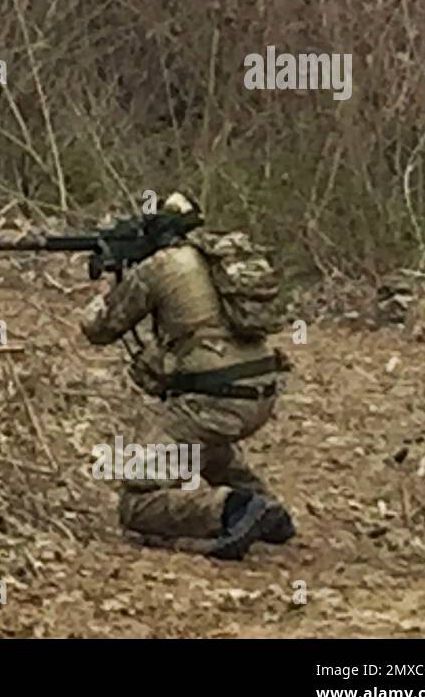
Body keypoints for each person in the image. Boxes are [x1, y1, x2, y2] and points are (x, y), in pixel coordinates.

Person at [80, 192, 295, 559]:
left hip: (215, 398)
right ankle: (265, 508)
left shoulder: (162, 265)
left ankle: (230, 509)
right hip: (259, 392)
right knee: (201, 445)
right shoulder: (218, 262)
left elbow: (100, 329)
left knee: (135, 499)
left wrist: (108, 289)